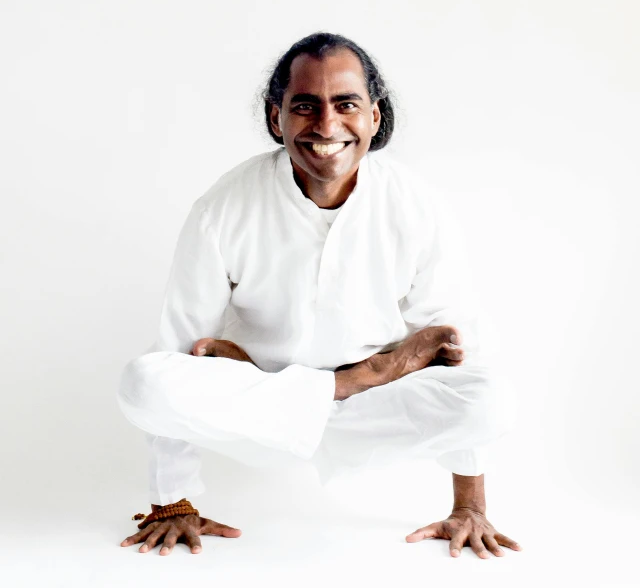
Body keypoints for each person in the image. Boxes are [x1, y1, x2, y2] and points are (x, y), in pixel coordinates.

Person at [117, 32, 521, 559]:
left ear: (374, 117)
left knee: (493, 398)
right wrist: (173, 501)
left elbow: (458, 350)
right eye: (305, 106)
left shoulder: (416, 204)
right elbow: (175, 346)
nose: (326, 127)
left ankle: (350, 384)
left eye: (345, 104)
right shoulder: (224, 207)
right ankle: (349, 380)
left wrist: (470, 505)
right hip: (257, 413)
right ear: (275, 117)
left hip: (374, 411)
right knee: (144, 382)